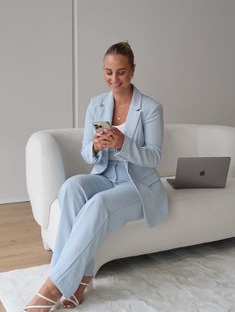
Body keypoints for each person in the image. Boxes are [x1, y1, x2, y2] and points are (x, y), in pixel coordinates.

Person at [23, 42, 169, 311]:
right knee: (70, 188)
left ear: (133, 70)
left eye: (121, 72)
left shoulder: (150, 108)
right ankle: (72, 278)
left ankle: (55, 287)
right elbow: (86, 153)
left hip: (136, 185)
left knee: (98, 205)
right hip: (105, 174)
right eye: (108, 72)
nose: (114, 79)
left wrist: (123, 143)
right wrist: (95, 146)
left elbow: (154, 158)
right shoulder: (96, 104)